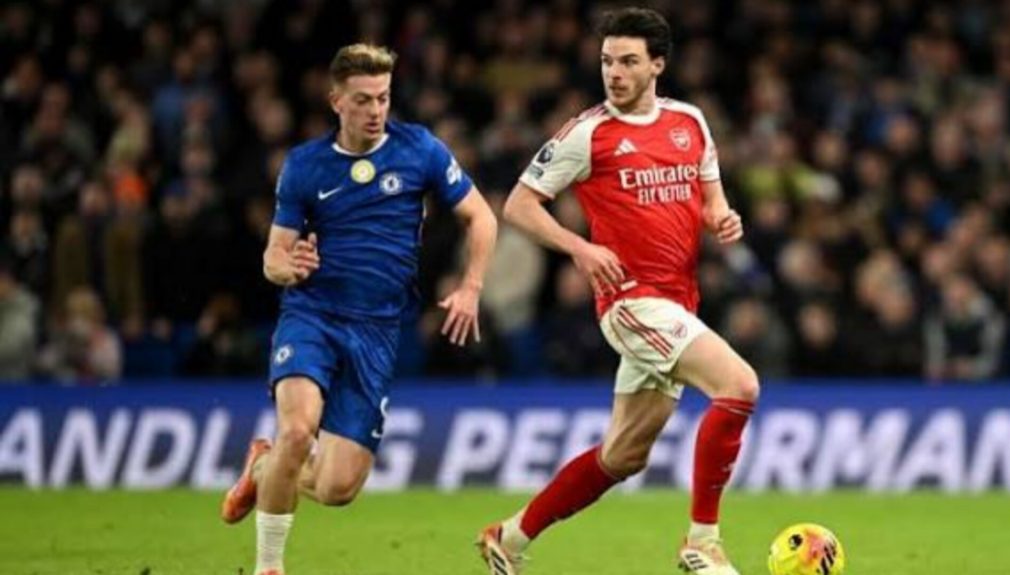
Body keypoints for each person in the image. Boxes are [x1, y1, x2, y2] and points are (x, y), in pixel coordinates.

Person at [478, 8, 758, 575]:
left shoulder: (689, 122)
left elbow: (712, 199)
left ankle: (508, 538)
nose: (615, 73)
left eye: (628, 61)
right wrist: (579, 249)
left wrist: (723, 218)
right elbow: (519, 206)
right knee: (739, 386)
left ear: (658, 65)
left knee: (623, 456)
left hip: (678, 302)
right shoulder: (587, 133)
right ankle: (703, 541)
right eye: (608, 61)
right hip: (630, 302)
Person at [220, 44, 497, 575]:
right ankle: (269, 566)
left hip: (376, 332)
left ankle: (263, 468)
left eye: (383, 98)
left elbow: (481, 218)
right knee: (297, 432)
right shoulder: (305, 166)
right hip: (312, 316)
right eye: (364, 99)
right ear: (336, 102)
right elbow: (273, 256)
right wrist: (288, 268)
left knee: (337, 487)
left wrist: (471, 286)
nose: (376, 110)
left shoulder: (420, 150)